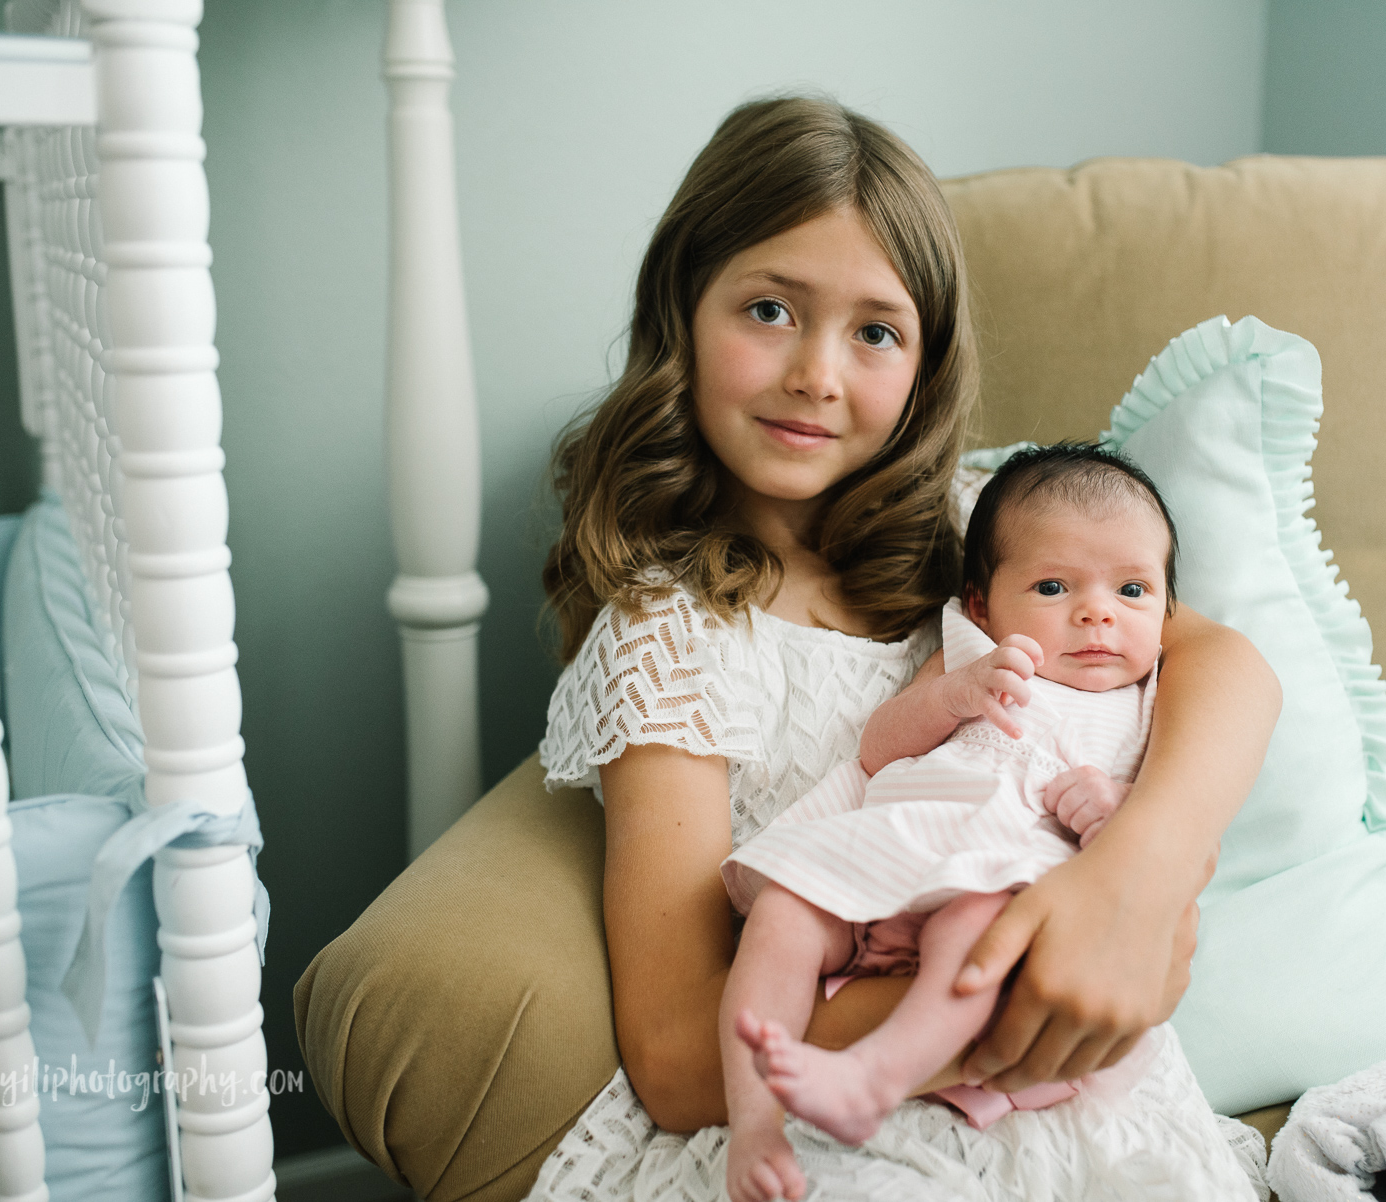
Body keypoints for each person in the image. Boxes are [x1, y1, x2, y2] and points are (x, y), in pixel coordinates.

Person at [531, 96, 1280, 1202]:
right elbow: (683, 1055)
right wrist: (1009, 987)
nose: (817, 375)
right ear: (682, 308)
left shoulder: (990, 528)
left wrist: (1137, 876)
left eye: (874, 330)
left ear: (926, 364)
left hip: (1076, 1088)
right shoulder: (668, 634)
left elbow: (1227, 666)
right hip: (811, 1113)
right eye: (771, 309)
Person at [718, 443, 1252, 1201]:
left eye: (1132, 589)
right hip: (892, 856)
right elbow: (878, 749)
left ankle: (875, 1076)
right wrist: (954, 696)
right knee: (781, 915)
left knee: (978, 928)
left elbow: (1162, 855)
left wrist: (1109, 811)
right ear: (981, 605)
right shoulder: (976, 653)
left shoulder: (1153, 699)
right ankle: (754, 1122)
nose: (1097, 611)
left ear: (1167, 607)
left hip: (1000, 880)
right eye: (1053, 585)